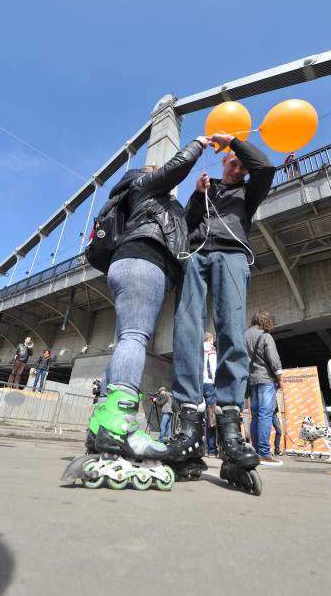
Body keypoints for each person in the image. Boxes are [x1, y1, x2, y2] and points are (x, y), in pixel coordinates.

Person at [63, 135, 211, 488]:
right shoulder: (141, 186)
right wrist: (198, 144)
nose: (163, 175)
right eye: (158, 172)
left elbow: (183, 229)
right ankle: (120, 420)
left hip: (138, 264)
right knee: (134, 336)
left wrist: (197, 196)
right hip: (142, 261)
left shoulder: (158, 205)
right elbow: (177, 168)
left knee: (128, 336)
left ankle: (104, 418)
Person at [169, 133, 276, 491]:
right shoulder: (205, 187)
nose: (237, 167)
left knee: (231, 330)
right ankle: (188, 423)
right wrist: (198, 195)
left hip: (232, 254)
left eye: (241, 165)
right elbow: (187, 221)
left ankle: (230, 430)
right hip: (196, 255)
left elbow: (266, 167)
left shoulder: (249, 192)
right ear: (222, 164)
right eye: (232, 162)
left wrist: (234, 141)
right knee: (186, 329)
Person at [245, 310, 283, 467]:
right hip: (266, 379)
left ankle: (254, 451)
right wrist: (280, 378)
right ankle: (264, 454)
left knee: (255, 416)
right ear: (266, 321)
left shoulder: (245, 335)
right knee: (265, 415)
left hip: (251, 380)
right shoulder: (266, 336)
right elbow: (273, 359)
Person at [203, 331, 217, 455]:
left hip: (197, 385)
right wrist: (216, 383)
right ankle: (211, 449)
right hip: (209, 384)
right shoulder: (210, 348)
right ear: (209, 339)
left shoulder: (196, 349)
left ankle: (199, 448)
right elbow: (213, 368)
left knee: (197, 416)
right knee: (211, 416)